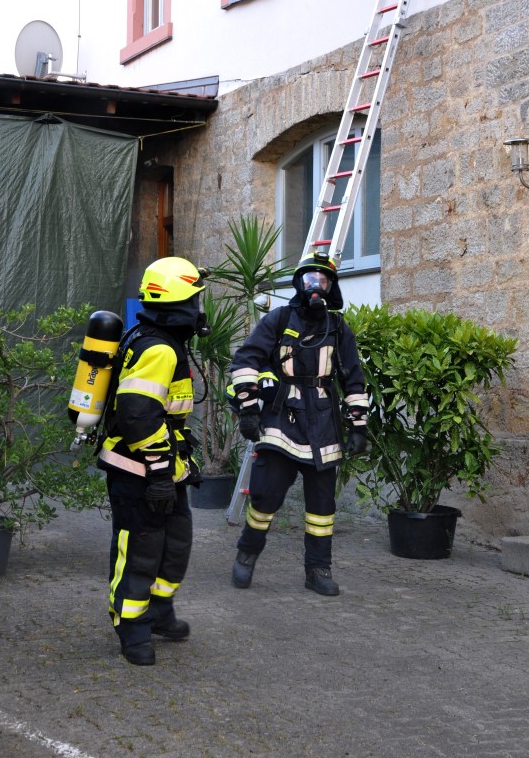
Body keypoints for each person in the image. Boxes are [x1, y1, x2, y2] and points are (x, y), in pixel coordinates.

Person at [229, 252, 369, 597]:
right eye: (309, 280)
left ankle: (318, 570)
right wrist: (249, 410)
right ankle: (247, 552)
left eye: (322, 280)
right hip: (282, 417)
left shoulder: (338, 328)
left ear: (331, 287)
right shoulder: (278, 319)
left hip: (323, 422)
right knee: (265, 494)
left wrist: (358, 426)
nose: (315, 286)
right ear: (298, 284)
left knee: (322, 507)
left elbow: (353, 379)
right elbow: (246, 360)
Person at [97, 256, 209, 666]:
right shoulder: (159, 348)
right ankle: (132, 628)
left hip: (164, 469)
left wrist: (168, 472)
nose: (199, 308)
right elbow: (137, 416)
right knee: (140, 549)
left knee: (174, 544)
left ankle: (160, 612)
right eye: (195, 299)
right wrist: (160, 473)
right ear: (180, 302)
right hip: (139, 471)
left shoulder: (159, 340)